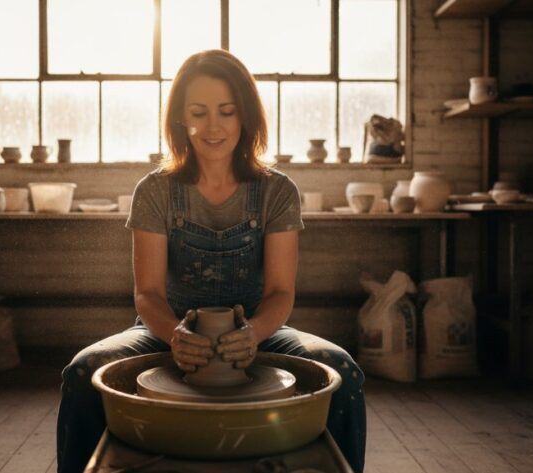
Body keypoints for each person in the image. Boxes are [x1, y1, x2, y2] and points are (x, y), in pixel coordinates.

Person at [57, 49, 366, 473]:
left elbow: (280, 292)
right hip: (167, 330)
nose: (213, 127)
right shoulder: (155, 190)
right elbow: (146, 295)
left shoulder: (277, 191)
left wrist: (253, 333)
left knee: (343, 374)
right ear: (181, 120)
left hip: (260, 331)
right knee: (81, 372)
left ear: (246, 117)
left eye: (226, 111)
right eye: (199, 113)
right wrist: (176, 335)